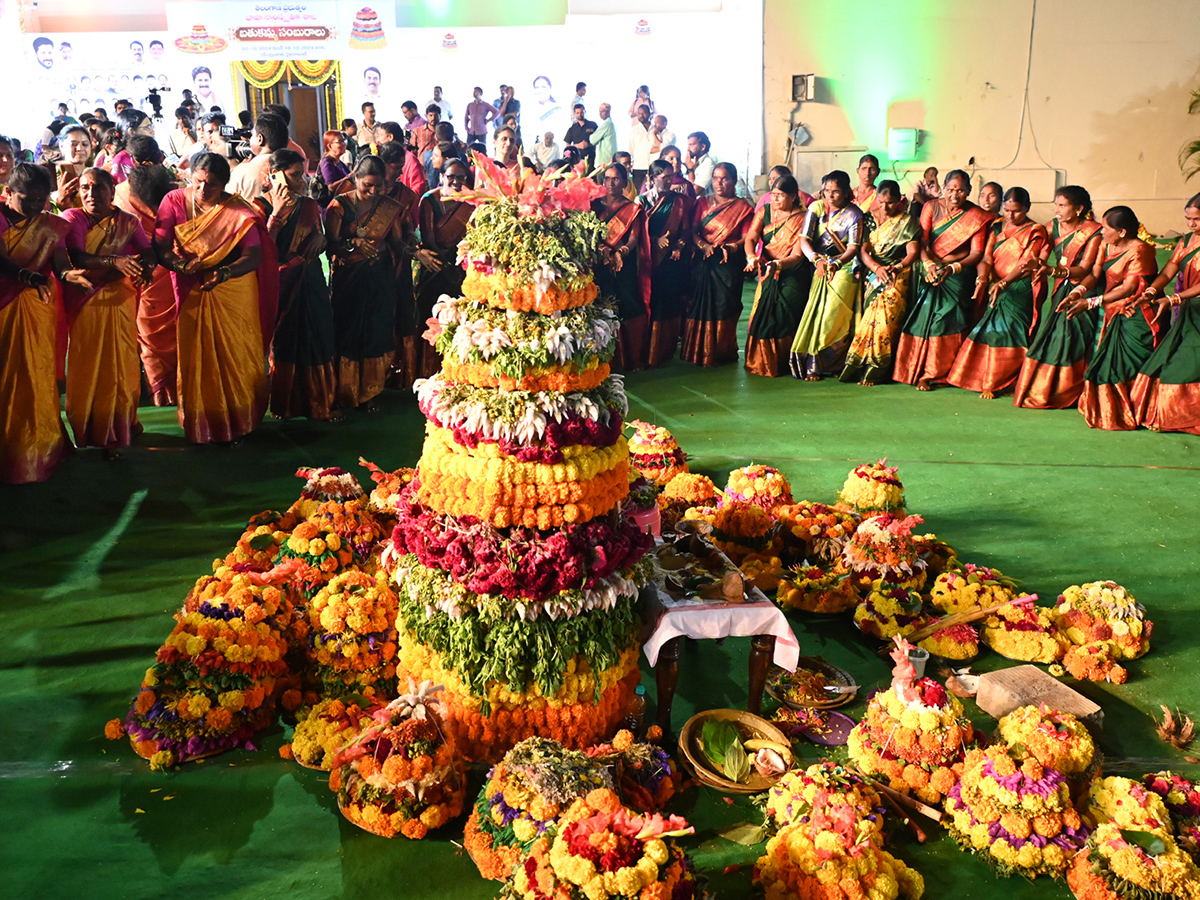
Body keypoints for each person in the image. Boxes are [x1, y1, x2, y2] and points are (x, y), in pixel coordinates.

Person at [153, 152, 278, 444]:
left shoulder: (236, 210)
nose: (202, 189)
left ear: (224, 184)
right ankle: (202, 424)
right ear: (190, 176)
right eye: (197, 181)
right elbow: (160, 244)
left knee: (235, 352)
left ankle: (240, 421)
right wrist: (181, 265)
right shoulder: (173, 201)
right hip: (190, 285)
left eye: (211, 185)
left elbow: (254, 255)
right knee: (197, 353)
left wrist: (222, 274)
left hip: (232, 288)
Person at [0, 164, 90, 483]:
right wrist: (26, 275)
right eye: (30, 200)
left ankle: (38, 450)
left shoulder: (50, 225)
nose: (38, 207)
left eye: (43, 200)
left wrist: (69, 275)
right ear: (8, 193)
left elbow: (60, 261)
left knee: (35, 375)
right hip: (4, 306)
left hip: (36, 307)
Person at [60, 168, 153, 456]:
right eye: (85, 188)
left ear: (112, 192)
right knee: (88, 365)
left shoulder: (127, 221)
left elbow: (149, 251)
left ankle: (119, 429)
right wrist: (115, 261)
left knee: (120, 365)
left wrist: (146, 267)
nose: (90, 194)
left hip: (119, 299)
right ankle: (90, 429)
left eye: (98, 188)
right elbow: (77, 256)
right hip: (86, 299)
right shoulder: (73, 218)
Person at [1058, 206, 1159, 430]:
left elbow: (1130, 288)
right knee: (1105, 360)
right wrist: (1077, 293)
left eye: (1105, 227)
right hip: (1110, 309)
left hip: (1136, 313)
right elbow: (1095, 274)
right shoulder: (1106, 244)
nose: (1101, 231)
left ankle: (1136, 411)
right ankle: (1108, 408)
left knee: (1128, 362)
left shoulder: (1141, 251)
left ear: (1122, 232)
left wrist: (1091, 303)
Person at [254, 149, 337, 422]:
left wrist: (321, 241)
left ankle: (319, 402)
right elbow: (263, 251)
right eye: (294, 176)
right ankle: (285, 404)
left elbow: (320, 239)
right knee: (286, 339)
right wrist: (276, 214)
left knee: (317, 334)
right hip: (280, 282)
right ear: (273, 175)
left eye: (303, 174)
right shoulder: (257, 206)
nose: (302, 181)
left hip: (310, 278)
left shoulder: (308, 205)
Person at [893, 170, 992, 389]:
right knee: (922, 318)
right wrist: (929, 264)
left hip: (958, 275)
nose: (955, 195)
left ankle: (935, 373)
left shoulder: (976, 216)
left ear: (968, 191)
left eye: (960, 190)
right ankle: (914, 368)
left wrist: (953, 268)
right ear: (943, 188)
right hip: (930, 271)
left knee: (945, 320)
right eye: (950, 189)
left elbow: (976, 253)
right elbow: (922, 242)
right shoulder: (930, 207)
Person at [947, 186, 1049, 398]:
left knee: (1012, 332)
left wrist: (1004, 283)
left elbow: (1026, 263)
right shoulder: (996, 226)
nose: (1011, 216)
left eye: (1017, 211)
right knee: (990, 330)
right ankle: (986, 378)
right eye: (1007, 209)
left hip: (1020, 288)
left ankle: (1006, 382)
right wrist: (983, 278)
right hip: (995, 285)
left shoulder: (1036, 230)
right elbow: (986, 258)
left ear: (1027, 208)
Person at [324, 156, 407, 411]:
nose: (373, 192)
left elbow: (396, 242)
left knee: (376, 329)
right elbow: (331, 246)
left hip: (379, 276)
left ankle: (368, 392)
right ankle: (345, 391)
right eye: (367, 186)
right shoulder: (339, 206)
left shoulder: (390, 207)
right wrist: (354, 243)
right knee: (347, 331)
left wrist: (416, 252)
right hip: (350, 277)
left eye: (378, 187)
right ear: (355, 179)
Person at [1012, 185, 1104, 409]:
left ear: (1079, 208)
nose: (1057, 210)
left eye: (1062, 206)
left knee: (1073, 335)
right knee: (1053, 335)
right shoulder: (1052, 226)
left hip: (1085, 289)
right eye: (1056, 205)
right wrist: (1036, 263)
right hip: (1060, 288)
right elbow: (1042, 255)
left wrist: (1052, 271)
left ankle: (1069, 390)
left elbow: (1084, 269)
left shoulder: (1094, 231)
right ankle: (1046, 388)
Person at [114, 135, 180, 407]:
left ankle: (158, 392)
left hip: (138, 273)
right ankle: (180, 385)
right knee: (175, 329)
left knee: (147, 330)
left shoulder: (119, 193)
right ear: (160, 157)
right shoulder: (176, 190)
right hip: (172, 270)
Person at [1131, 193, 1200, 433]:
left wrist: (1175, 298)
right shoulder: (1185, 241)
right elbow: (1169, 269)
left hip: (1194, 309)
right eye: (1188, 218)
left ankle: (1182, 415)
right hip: (1188, 311)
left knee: (1189, 363)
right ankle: (1170, 413)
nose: (1191, 224)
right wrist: (1151, 290)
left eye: (1197, 219)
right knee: (1168, 361)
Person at [840, 180, 921, 385]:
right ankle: (859, 364)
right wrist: (877, 268)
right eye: (882, 202)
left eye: (891, 203)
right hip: (874, 274)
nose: (885, 208)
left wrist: (897, 267)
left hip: (897, 273)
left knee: (886, 318)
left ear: (900, 200)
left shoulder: (908, 222)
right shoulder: (867, 219)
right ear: (877, 199)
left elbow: (912, 252)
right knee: (870, 317)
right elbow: (864, 250)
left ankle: (878, 368)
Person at [789, 169, 865, 379]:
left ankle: (831, 361)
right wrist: (816, 259)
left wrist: (835, 263)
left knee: (834, 314)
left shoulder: (855, 214)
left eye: (836, 192)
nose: (830, 196)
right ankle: (814, 360)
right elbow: (804, 239)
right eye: (827, 191)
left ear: (847, 192)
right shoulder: (816, 207)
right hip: (819, 264)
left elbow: (853, 248)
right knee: (818, 312)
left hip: (845, 267)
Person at [683, 162, 752, 367]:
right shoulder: (702, 203)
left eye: (725, 178)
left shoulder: (743, 208)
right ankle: (698, 352)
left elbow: (747, 237)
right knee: (700, 305)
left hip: (728, 264)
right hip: (704, 262)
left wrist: (731, 247)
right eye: (715, 178)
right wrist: (703, 245)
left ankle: (722, 352)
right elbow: (693, 231)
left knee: (724, 306)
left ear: (733, 180)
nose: (719, 183)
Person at [743, 174, 812, 377]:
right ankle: (763, 362)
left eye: (780, 196)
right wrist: (750, 257)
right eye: (773, 195)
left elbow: (798, 255)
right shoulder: (765, 212)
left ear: (793, 196)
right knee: (763, 315)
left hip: (792, 274)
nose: (775, 200)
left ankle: (785, 363)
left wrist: (778, 265)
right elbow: (751, 237)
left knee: (783, 315)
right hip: (767, 272)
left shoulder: (804, 218)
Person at [413, 158, 473, 381]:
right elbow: (428, 239)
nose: (456, 182)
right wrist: (446, 267)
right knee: (432, 314)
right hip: (435, 266)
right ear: (442, 177)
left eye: (461, 178)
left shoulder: (471, 203)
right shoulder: (429, 200)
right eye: (451, 177)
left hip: (460, 267)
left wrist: (459, 265)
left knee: (458, 317)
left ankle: (456, 370)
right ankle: (428, 370)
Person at [592, 163, 651, 370]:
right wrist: (606, 251)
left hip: (623, 264)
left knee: (628, 303)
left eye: (616, 179)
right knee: (602, 305)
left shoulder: (633, 209)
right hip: (599, 263)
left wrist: (620, 252)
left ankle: (632, 358)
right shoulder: (594, 206)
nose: (610, 183)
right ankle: (604, 359)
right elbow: (590, 236)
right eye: (607, 178)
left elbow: (634, 237)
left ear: (625, 183)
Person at [638, 159, 692, 366]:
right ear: (652, 178)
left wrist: (679, 246)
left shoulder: (680, 201)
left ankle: (665, 350)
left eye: (671, 176)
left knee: (669, 302)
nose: (670, 181)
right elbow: (637, 232)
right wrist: (655, 241)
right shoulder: (641, 201)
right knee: (650, 301)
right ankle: (647, 349)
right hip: (649, 260)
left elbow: (686, 229)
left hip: (672, 260)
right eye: (665, 177)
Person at [228, 113, 287, 202]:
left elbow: (226, 202)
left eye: (252, 135)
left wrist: (236, 168)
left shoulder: (242, 171)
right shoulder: (294, 166)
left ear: (260, 139)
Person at [53, 125, 93, 209]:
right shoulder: (52, 175)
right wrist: (61, 200)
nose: (79, 148)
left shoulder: (94, 173)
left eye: (85, 144)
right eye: (73, 144)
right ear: (62, 146)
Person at [564, 105, 598, 171]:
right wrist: (577, 146)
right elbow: (567, 145)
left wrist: (588, 144)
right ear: (574, 114)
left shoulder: (593, 125)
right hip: (577, 161)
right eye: (577, 113)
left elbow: (599, 141)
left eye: (581, 112)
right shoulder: (572, 128)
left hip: (592, 159)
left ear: (585, 112)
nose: (580, 114)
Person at [317, 130, 351, 196]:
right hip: (331, 204)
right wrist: (350, 176)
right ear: (329, 146)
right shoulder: (326, 162)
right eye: (340, 142)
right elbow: (331, 187)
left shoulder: (339, 162)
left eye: (344, 141)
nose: (344, 144)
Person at [628, 104, 654, 191]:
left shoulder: (656, 129)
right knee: (639, 192)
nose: (641, 115)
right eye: (639, 113)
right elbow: (630, 149)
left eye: (644, 113)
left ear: (649, 114)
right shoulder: (634, 131)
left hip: (654, 167)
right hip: (639, 167)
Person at [852, 154, 882, 225]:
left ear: (878, 172)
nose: (867, 173)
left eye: (872, 169)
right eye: (864, 168)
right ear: (858, 171)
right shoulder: (849, 195)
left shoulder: (880, 196)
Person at [592, 102, 616, 170]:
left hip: (604, 161)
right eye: (600, 111)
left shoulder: (607, 124)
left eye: (602, 111)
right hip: (608, 159)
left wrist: (594, 134)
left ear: (608, 112)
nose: (600, 114)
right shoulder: (611, 123)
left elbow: (592, 139)